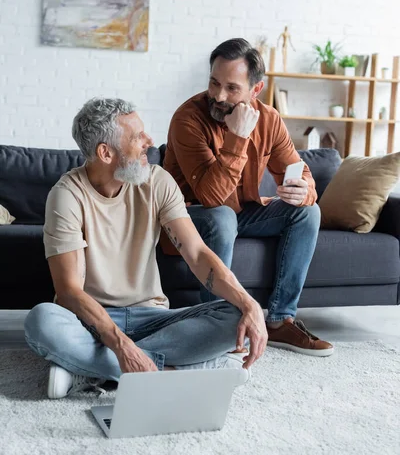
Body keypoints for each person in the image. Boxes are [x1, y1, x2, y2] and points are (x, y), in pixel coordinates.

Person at [24, 98, 267, 399]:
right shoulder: (66, 196)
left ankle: (87, 371)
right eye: (137, 136)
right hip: (93, 322)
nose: (150, 142)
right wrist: (119, 344)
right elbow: (70, 291)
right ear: (105, 152)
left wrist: (249, 303)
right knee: (41, 321)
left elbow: (197, 254)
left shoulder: (157, 181)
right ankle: (177, 372)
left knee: (234, 316)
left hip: (153, 317)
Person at [163, 38, 333, 357]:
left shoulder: (268, 120)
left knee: (307, 213)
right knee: (222, 216)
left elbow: (300, 171)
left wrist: (304, 191)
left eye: (232, 88)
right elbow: (211, 197)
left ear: (255, 90)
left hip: (240, 213)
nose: (219, 95)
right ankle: (217, 323)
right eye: (214, 83)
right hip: (188, 218)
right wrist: (237, 137)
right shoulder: (188, 119)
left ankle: (280, 320)